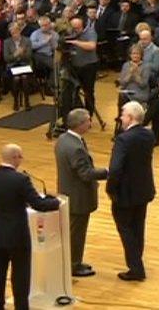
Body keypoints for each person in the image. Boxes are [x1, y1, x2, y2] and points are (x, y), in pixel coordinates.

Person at [0, 144, 60, 310]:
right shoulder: (21, 180)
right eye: (21, 157)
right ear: (15, 157)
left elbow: (5, 198)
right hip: (17, 237)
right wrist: (56, 202)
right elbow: (38, 204)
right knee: (20, 279)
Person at [54, 108, 108, 278]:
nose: (90, 123)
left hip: (67, 191)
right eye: (88, 121)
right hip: (78, 196)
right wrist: (107, 172)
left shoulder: (63, 139)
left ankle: (75, 260)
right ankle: (73, 265)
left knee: (74, 231)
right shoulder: (76, 147)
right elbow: (85, 173)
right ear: (80, 124)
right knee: (76, 233)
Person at [106, 101, 155, 281]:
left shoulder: (123, 139)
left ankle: (136, 268)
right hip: (143, 189)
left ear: (130, 117)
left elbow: (116, 168)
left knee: (125, 229)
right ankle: (137, 261)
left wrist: (110, 189)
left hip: (125, 192)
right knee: (138, 227)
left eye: (123, 114)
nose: (120, 117)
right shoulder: (149, 135)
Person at [65, 16, 99, 117]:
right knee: (73, 90)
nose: (75, 30)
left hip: (88, 66)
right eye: (73, 27)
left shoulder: (90, 32)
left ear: (83, 26)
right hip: (74, 65)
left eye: (77, 28)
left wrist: (75, 42)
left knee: (88, 91)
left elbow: (92, 46)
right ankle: (77, 113)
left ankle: (89, 115)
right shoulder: (69, 32)